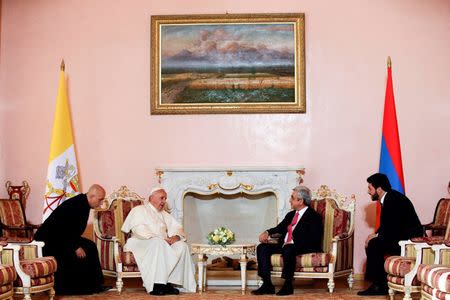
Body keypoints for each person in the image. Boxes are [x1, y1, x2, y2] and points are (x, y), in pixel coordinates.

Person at [34, 184, 108, 295]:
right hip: (49, 241)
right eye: (100, 199)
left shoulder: (83, 203)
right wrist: (75, 246)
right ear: (92, 196)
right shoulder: (77, 204)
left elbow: (70, 230)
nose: (101, 203)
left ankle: (96, 285)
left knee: (90, 246)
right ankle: (72, 288)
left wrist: (76, 244)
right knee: (79, 251)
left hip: (61, 237)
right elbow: (63, 228)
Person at [121, 187, 196, 295]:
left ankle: (169, 282)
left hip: (161, 243)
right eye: (162, 198)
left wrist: (176, 237)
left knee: (181, 246)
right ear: (152, 198)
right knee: (158, 243)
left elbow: (177, 228)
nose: (164, 201)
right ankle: (156, 285)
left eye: (165, 198)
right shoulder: (139, 210)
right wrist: (161, 239)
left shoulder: (164, 214)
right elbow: (138, 230)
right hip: (140, 242)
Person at [357, 173, 422, 296]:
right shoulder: (390, 197)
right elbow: (388, 224)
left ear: (379, 189)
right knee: (374, 242)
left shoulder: (393, 200)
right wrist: (376, 234)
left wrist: (375, 236)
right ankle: (380, 283)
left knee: (374, 245)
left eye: (370, 188)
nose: (368, 192)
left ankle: (378, 286)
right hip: (399, 236)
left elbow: (394, 227)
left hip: (408, 240)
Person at [252, 185, 323, 296]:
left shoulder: (314, 217)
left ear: (300, 201)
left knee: (288, 248)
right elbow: (279, 228)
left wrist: (292, 242)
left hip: (303, 246)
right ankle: (267, 284)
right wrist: (267, 232)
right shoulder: (290, 215)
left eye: (292, 198)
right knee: (262, 247)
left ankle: (288, 285)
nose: (290, 200)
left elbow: (314, 238)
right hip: (286, 246)